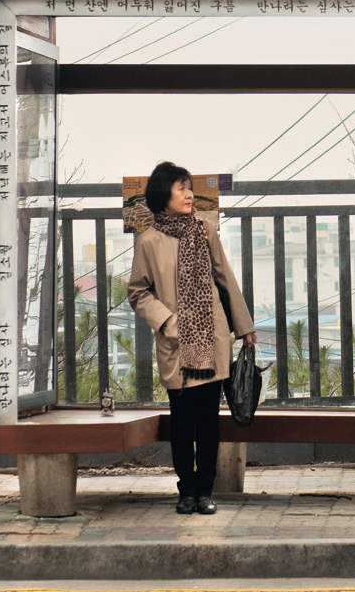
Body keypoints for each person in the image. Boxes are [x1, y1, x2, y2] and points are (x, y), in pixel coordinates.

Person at [128, 161, 256, 515]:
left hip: (211, 338)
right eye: (181, 188)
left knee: (209, 421)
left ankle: (205, 490)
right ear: (162, 196)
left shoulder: (206, 230)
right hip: (176, 342)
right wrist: (167, 322)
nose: (188, 194)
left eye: (189, 188)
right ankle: (186, 490)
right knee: (182, 421)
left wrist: (243, 327)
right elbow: (138, 292)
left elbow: (225, 279)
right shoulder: (149, 242)